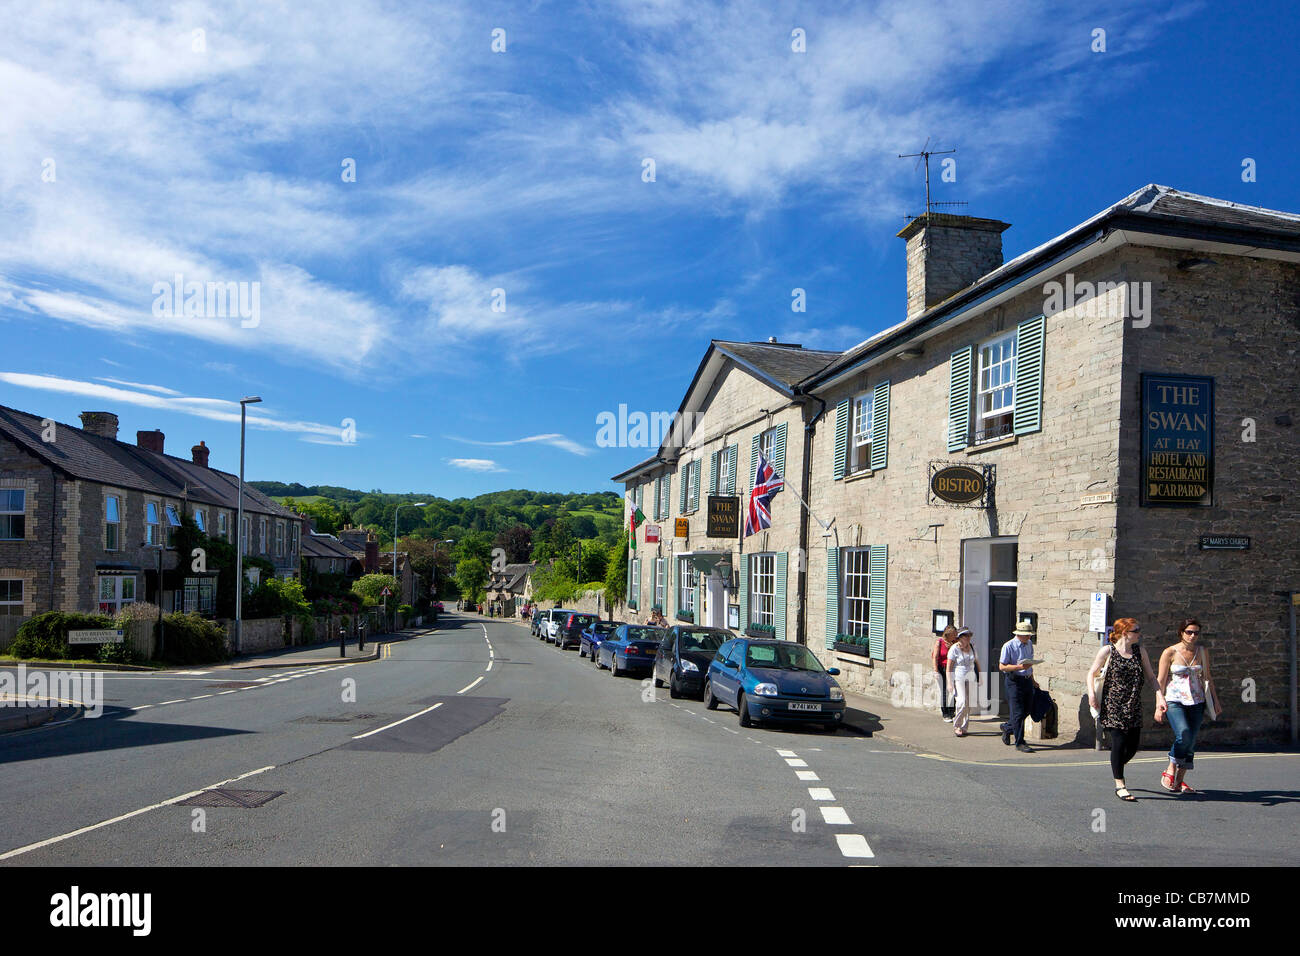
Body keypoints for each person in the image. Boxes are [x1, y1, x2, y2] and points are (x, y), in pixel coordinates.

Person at [1086, 617, 1162, 801]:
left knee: (1133, 746)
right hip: (1113, 705)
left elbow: (1151, 677)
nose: (1139, 633)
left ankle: (1117, 764)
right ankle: (1120, 784)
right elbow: (1092, 673)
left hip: (1133, 704)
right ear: (1125, 633)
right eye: (1136, 630)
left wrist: (1160, 696)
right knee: (1119, 744)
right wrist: (1091, 695)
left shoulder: (1139, 651)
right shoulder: (1108, 651)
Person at [1156, 618, 1220, 794]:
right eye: (1189, 632)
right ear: (1181, 632)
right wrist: (1158, 704)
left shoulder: (1202, 651)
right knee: (1183, 734)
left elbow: (1207, 678)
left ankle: (1179, 781)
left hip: (1197, 700)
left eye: (1196, 633)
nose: (1192, 636)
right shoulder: (1169, 652)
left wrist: (1215, 701)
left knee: (1191, 741)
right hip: (1174, 699)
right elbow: (1160, 681)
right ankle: (1170, 767)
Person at [998, 619, 1038, 753]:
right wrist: (1019, 667)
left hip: (1026, 680)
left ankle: (1008, 727)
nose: (1028, 637)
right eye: (1027, 635)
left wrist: (1033, 680)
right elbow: (1002, 666)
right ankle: (1020, 742)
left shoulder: (1029, 644)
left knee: (1027, 709)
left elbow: (1029, 665)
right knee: (1017, 712)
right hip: (1013, 681)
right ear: (1019, 634)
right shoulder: (1008, 646)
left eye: (1029, 635)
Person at [945, 626, 981, 736]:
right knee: (961, 701)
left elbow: (977, 663)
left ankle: (964, 727)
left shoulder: (972, 647)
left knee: (968, 704)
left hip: (971, 676)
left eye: (969, 635)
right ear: (960, 637)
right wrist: (949, 683)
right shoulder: (954, 649)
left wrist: (980, 676)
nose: (968, 637)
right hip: (959, 677)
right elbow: (949, 668)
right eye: (966, 636)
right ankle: (957, 725)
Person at [933, 626, 956, 721]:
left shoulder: (955, 643)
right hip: (942, 668)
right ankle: (945, 713)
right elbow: (935, 657)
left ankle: (952, 710)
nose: (956, 636)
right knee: (945, 691)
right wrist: (935, 670)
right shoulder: (940, 642)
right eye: (954, 634)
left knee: (956, 689)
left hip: (953, 668)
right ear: (948, 634)